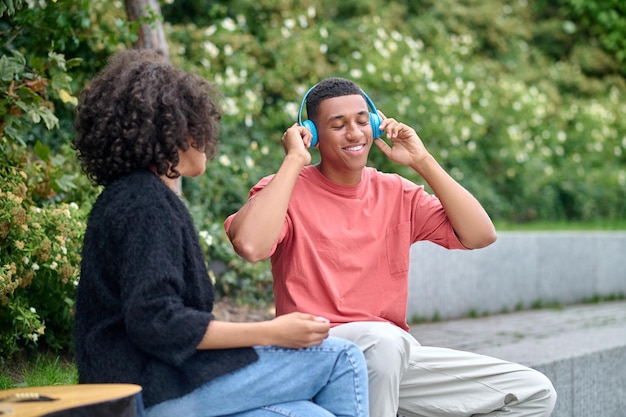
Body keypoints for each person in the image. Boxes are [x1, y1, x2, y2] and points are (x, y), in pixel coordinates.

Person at [224, 77, 557, 417]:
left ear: (375, 124)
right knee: (384, 342)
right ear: (312, 133)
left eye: (361, 120)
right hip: (315, 352)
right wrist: (294, 159)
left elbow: (480, 235)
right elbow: (250, 244)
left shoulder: (396, 191)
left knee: (532, 393)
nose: (354, 133)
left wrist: (422, 160)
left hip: (391, 355)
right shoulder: (284, 189)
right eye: (338, 126)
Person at [72, 51, 370, 417]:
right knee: (344, 358)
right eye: (195, 124)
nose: (205, 137)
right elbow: (157, 322)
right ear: (169, 132)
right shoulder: (145, 205)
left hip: (146, 386)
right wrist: (271, 332)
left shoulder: (129, 197)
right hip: (146, 394)